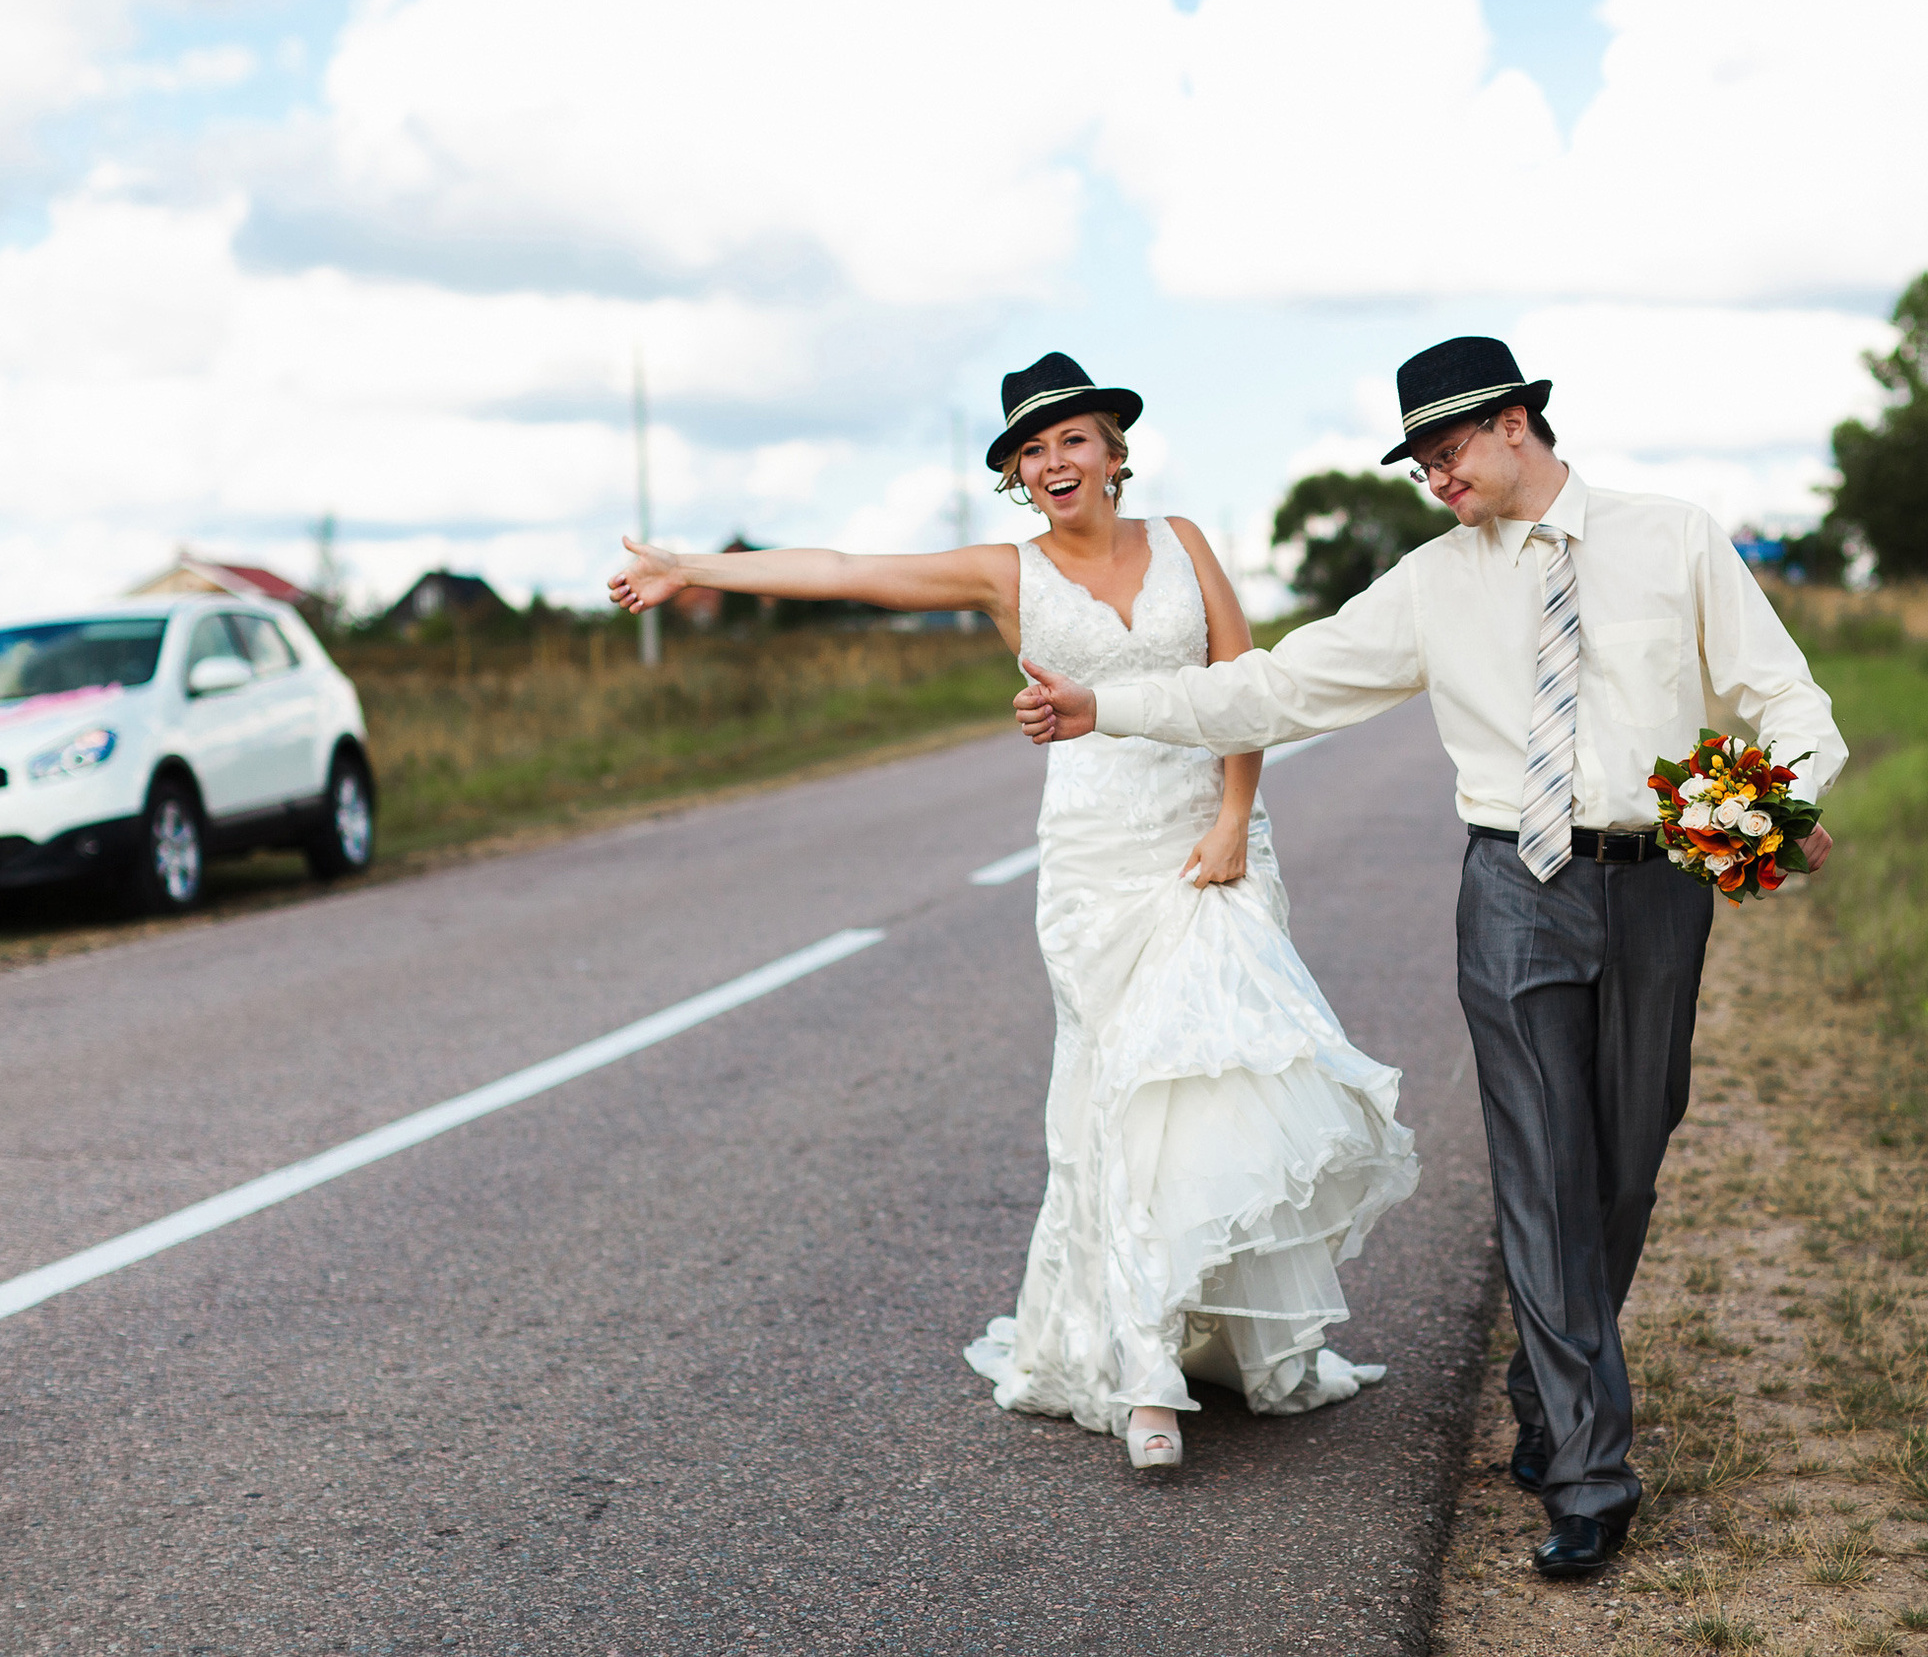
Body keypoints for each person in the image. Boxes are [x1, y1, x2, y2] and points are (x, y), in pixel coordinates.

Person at [1014, 336, 1845, 1572]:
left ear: (1516, 423)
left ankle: (1549, 1389)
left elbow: (1786, 698)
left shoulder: (1672, 538)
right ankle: (1589, 1475)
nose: (1436, 479)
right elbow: (1273, 689)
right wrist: (1110, 706)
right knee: (1543, 1169)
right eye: (1418, 464)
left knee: (1626, 1161)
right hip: (1513, 888)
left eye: (1447, 452)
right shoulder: (1427, 584)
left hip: (1662, 881)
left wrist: (1780, 803)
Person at [607, 352, 1418, 1470]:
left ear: (1114, 451)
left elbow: (1244, 686)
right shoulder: (1006, 573)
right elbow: (846, 570)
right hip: (1096, 862)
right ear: (1016, 476)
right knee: (1119, 1102)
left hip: (1211, 843)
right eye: (1031, 451)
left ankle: (1227, 1333)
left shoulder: (1185, 542)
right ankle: (1143, 1374)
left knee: (1217, 1091)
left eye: (1072, 438)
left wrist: (1235, 818)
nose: (1053, 462)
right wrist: (689, 565)